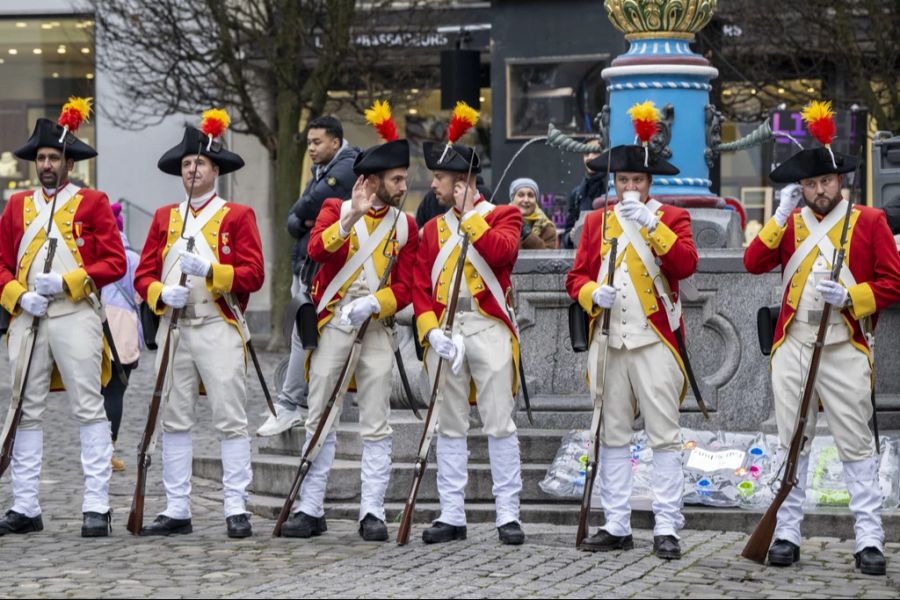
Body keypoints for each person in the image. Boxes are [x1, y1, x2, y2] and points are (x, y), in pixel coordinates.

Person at [743, 101, 900, 575]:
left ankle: (868, 538)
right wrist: (778, 215)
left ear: (840, 181)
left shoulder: (869, 222)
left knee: (856, 444)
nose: (817, 190)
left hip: (844, 345)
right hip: (794, 344)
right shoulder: (790, 223)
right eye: (809, 185)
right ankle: (787, 534)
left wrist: (853, 295)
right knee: (793, 442)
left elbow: (893, 282)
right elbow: (753, 262)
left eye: (824, 182)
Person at [565, 101, 698, 560]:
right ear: (613, 182)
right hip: (609, 340)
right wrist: (589, 295)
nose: (629, 188)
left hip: (654, 339)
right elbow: (575, 277)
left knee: (664, 435)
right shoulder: (595, 222)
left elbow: (685, 264)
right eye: (622, 181)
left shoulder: (673, 217)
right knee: (612, 434)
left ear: (649, 182)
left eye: (636, 180)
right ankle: (617, 523)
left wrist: (653, 227)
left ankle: (667, 527)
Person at [280, 101, 418, 541]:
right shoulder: (336, 210)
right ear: (373, 180)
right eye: (396, 179)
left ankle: (372, 511)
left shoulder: (405, 226)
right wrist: (353, 216)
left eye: (404, 177)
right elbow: (318, 251)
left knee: (376, 419)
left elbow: (408, 288)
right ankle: (310, 507)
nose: (404, 185)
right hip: (333, 325)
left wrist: (376, 303)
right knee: (320, 413)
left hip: (376, 328)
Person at [134, 122, 265, 538]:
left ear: (215, 171)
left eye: (201, 163)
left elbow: (254, 274)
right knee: (174, 419)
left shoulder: (237, 215)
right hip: (176, 327)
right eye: (187, 163)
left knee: (230, 417)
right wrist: (158, 293)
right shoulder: (164, 218)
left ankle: (235, 506)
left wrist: (212, 270)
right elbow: (143, 274)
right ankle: (176, 508)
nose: (192, 170)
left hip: (217, 322)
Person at [0, 110, 126, 537]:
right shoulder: (17, 205)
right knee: (25, 410)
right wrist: (20, 295)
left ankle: (96, 505)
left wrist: (71, 280)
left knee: (89, 408)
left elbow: (114, 261)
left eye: (55, 157)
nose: (47, 165)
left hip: (75, 313)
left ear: (69, 163)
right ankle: (24, 506)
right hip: (29, 316)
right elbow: (0, 265)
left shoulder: (92, 202)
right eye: (42, 158)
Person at [413, 127, 526, 546]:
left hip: (488, 325)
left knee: (499, 422)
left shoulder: (503, 215)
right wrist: (429, 332)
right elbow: (419, 290)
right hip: (446, 332)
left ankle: (508, 514)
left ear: (461, 182)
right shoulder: (430, 231)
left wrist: (470, 220)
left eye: (440, 178)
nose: (433, 184)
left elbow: (502, 254)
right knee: (450, 424)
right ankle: (452, 513)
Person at [258, 117, 360, 437]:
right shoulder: (321, 170)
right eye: (309, 143)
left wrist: (302, 214)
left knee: (305, 337)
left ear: (335, 141)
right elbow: (293, 218)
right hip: (306, 264)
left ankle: (290, 404)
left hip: (324, 270)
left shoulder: (347, 166)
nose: (311, 149)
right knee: (301, 338)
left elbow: (309, 204)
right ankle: (298, 404)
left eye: (317, 142)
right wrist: (301, 215)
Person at [101, 201, 143, 471]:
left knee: (96, 393)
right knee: (115, 391)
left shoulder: (96, 254)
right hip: (124, 330)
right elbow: (140, 295)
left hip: (96, 325)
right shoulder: (133, 259)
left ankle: (97, 450)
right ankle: (107, 451)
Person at [562, 139, 605, 249]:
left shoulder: (613, 189)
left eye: (595, 152)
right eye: (586, 153)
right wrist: (571, 237)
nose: (590, 157)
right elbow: (566, 234)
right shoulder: (577, 193)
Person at [509, 177, 557, 249]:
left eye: (530, 195)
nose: (526, 200)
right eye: (521, 195)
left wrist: (527, 234)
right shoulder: (501, 221)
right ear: (512, 199)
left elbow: (548, 257)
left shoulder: (547, 227)